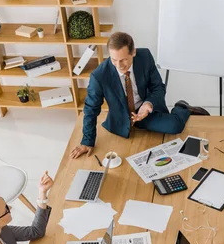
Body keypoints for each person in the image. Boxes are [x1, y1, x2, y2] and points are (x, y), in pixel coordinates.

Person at [70, 32, 210, 158]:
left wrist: (148, 104)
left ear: (133, 52)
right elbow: (90, 109)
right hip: (122, 118)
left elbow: (158, 87)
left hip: (146, 111)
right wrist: (87, 141)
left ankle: (182, 107)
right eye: (114, 60)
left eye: (124, 59)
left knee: (175, 127)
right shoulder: (99, 75)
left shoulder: (145, 57)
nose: (119, 65)